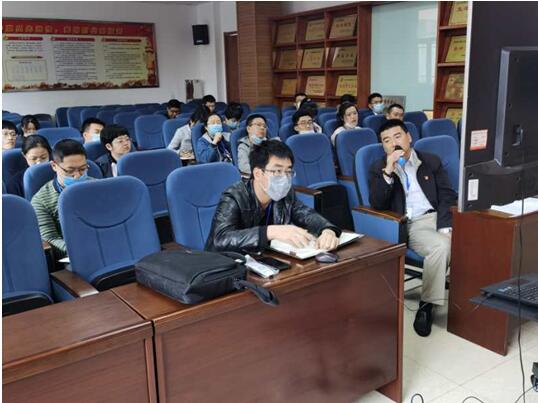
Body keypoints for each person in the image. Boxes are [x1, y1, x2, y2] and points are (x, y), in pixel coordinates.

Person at [369, 119, 457, 337]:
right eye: (386, 140)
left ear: (409, 137)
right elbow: (377, 204)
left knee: (480, 236)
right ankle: (427, 305)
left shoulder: (430, 161)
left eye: (397, 136)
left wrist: (446, 227)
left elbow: (447, 195)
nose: (393, 143)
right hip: (413, 223)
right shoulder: (379, 168)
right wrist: (388, 171)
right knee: (441, 247)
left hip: (440, 216)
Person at [205, 140, 341, 253]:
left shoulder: (285, 194)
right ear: (258, 174)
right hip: (228, 266)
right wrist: (270, 232)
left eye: (288, 171)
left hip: (265, 261)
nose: (285, 178)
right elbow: (221, 239)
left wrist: (327, 230)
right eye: (277, 171)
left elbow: (306, 214)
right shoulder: (234, 196)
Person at [31, 139, 93, 258]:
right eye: (70, 171)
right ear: (54, 166)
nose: (77, 176)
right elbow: (50, 238)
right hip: (74, 254)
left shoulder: (99, 187)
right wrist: (81, 251)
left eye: (82, 169)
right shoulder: (41, 201)